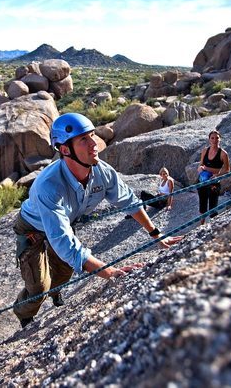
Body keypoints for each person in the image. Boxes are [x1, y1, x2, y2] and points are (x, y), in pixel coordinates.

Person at [12, 113, 183, 328]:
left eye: (93, 135)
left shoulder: (101, 172)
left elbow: (129, 201)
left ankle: (55, 292)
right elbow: (65, 243)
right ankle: (24, 313)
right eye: (84, 139)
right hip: (32, 228)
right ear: (65, 150)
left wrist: (156, 234)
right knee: (38, 287)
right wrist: (109, 271)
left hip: (64, 221)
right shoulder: (49, 186)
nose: (94, 143)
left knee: (65, 270)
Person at [197, 130, 230, 225]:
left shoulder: (223, 154)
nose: (214, 140)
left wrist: (218, 175)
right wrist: (200, 168)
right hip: (202, 181)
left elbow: (227, 170)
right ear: (209, 139)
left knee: (212, 209)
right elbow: (201, 164)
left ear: (220, 139)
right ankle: (200, 225)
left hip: (213, 182)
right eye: (212, 138)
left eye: (217, 138)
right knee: (202, 206)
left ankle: (214, 228)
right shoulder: (205, 151)